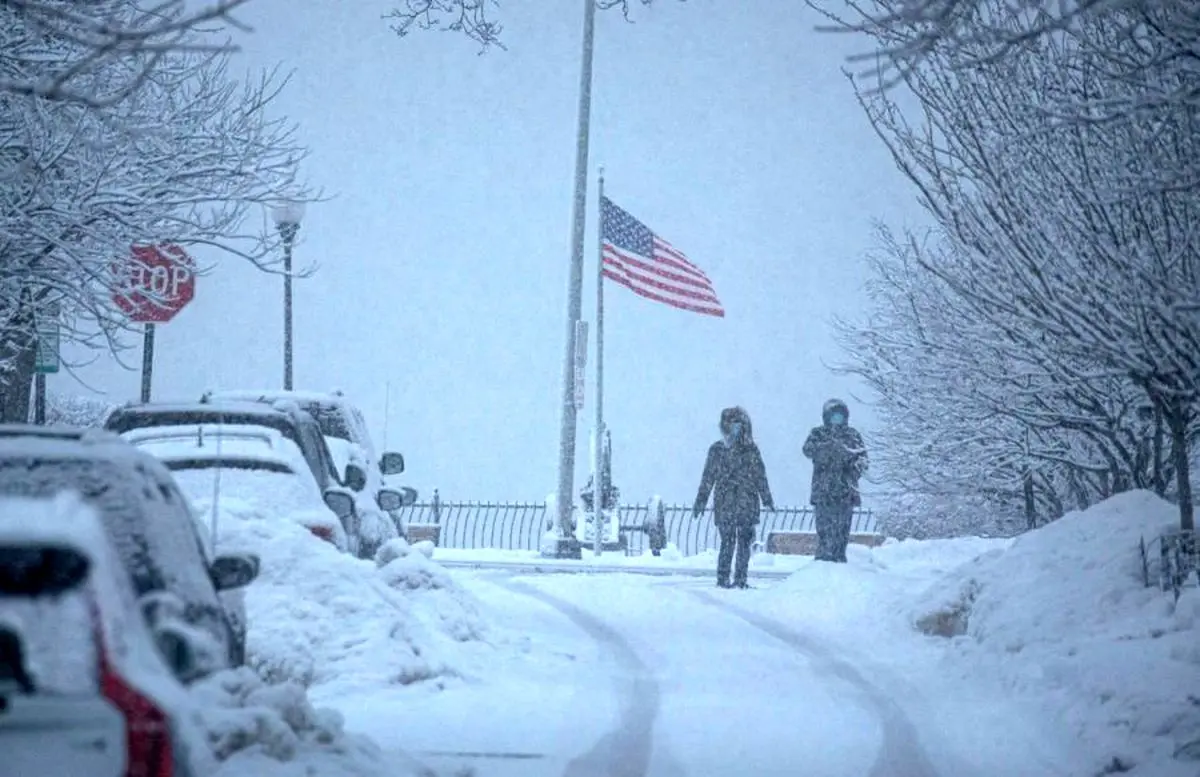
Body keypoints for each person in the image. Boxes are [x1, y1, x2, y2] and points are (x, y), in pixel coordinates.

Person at [693, 407, 775, 588]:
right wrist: (700, 501)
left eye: (739, 425)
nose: (736, 429)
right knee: (728, 542)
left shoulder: (751, 450)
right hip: (728, 503)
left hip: (742, 502)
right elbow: (708, 478)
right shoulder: (717, 450)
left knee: (743, 542)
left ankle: (740, 579)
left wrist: (767, 498)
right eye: (732, 425)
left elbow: (760, 476)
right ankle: (723, 579)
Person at [802, 398, 868, 563]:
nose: (836, 420)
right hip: (823, 491)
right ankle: (823, 558)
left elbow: (863, 461)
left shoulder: (852, 435)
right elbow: (808, 450)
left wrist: (850, 468)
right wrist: (827, 449)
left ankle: (839, 558)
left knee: (842, 528)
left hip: (846, 491)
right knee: (824, 528)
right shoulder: (818, 433)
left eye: (839, 416)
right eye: (833, 416)